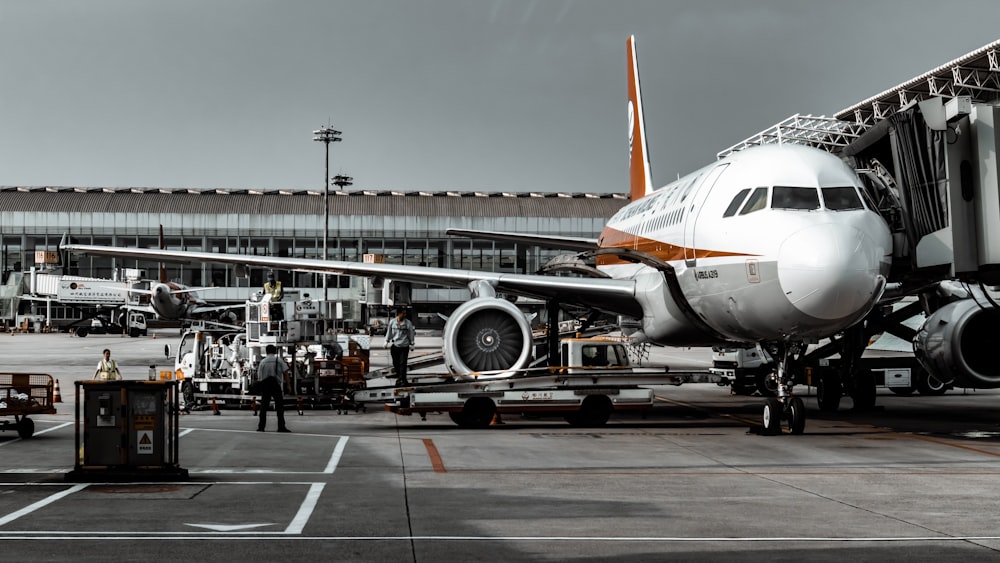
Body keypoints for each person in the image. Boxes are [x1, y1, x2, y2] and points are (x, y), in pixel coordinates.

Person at [256, 344, 290, 433]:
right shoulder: (279, 360)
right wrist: (288, 385)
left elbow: (259, 376)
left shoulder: (263, 362)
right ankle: (281, 427)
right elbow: (286, 373)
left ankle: (261, 426)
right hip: (275, 384)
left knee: (264, 406)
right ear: (275, 351)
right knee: (279, 406)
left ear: (266, 351)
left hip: (265, 385)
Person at [383, 308, 415, 385]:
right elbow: (389, 332)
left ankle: (402, 379)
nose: (405, 315)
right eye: (403, 313)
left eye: (405, 313)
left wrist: (412, 343)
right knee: (395, 363)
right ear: (399, 313)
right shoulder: (392, 322)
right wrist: (386, 341)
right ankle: (399, 376)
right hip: (395, 345)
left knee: (403, 363)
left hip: (404, 346)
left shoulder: (408, 323)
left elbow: (411, 333)